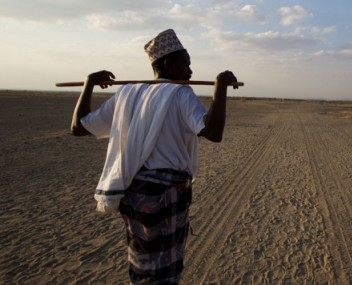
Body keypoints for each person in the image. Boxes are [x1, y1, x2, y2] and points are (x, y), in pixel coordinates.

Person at [71, 29, 238, 284]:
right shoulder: (180, 94)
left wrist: (88, 84)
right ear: (169, 64)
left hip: (133, 194)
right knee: (164, 271)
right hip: (166, 195)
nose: (191, 72)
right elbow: (213, 132)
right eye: (186, 65)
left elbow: (79, 127)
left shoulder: (126, 94)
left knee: (143, 265)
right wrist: (220, 87)